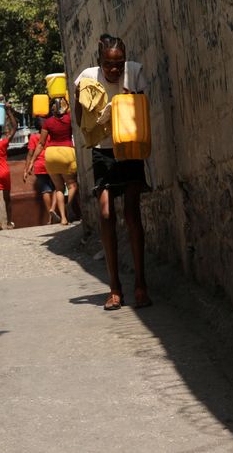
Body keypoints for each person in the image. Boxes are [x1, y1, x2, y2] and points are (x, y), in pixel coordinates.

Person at [73, 34, 152, 310]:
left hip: (129, 147)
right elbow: (80, 117)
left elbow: (140, 111)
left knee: (132, 213)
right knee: (106, 214)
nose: (114, 70)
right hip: (104, 150)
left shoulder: (135, 73)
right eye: (109, 64)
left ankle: (140, 284)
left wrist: (127, 100)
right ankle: (114, 287)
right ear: (100, 60)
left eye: (119, 64)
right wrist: (91, 108)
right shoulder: (87, 77)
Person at [30, 97, 78, 225]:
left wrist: (31, 162)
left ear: (52, 109)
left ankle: (63, 218)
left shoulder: (48, 123)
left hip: (51, 155)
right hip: (67, 152)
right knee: (72, 185)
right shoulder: (69, 119)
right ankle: (69, 204)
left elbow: (41, 144)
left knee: (59, 188)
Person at [22, 126, 59, 225]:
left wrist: (26, 169)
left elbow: (30, 154)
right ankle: (53, 208)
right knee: (57, 187)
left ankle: (50, 217)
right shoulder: (51, 135)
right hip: (52, 162)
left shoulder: (33, 137)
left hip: (39, 165)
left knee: (45, 190)